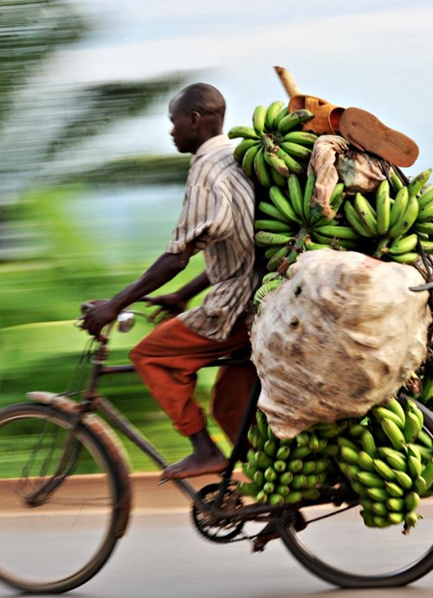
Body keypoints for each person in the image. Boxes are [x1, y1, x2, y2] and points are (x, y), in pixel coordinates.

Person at [80, 83, 260, 481]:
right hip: (261, 300)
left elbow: (177, 255)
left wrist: (114, 304)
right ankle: (273, 489)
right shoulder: (235, 156)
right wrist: (183, 295)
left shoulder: (206, 170)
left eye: (173, 121)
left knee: (151, 356)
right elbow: (234, 244)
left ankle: (203, 451)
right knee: (231, 408)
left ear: (194, 120)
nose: (171, 131)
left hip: (237, 306)